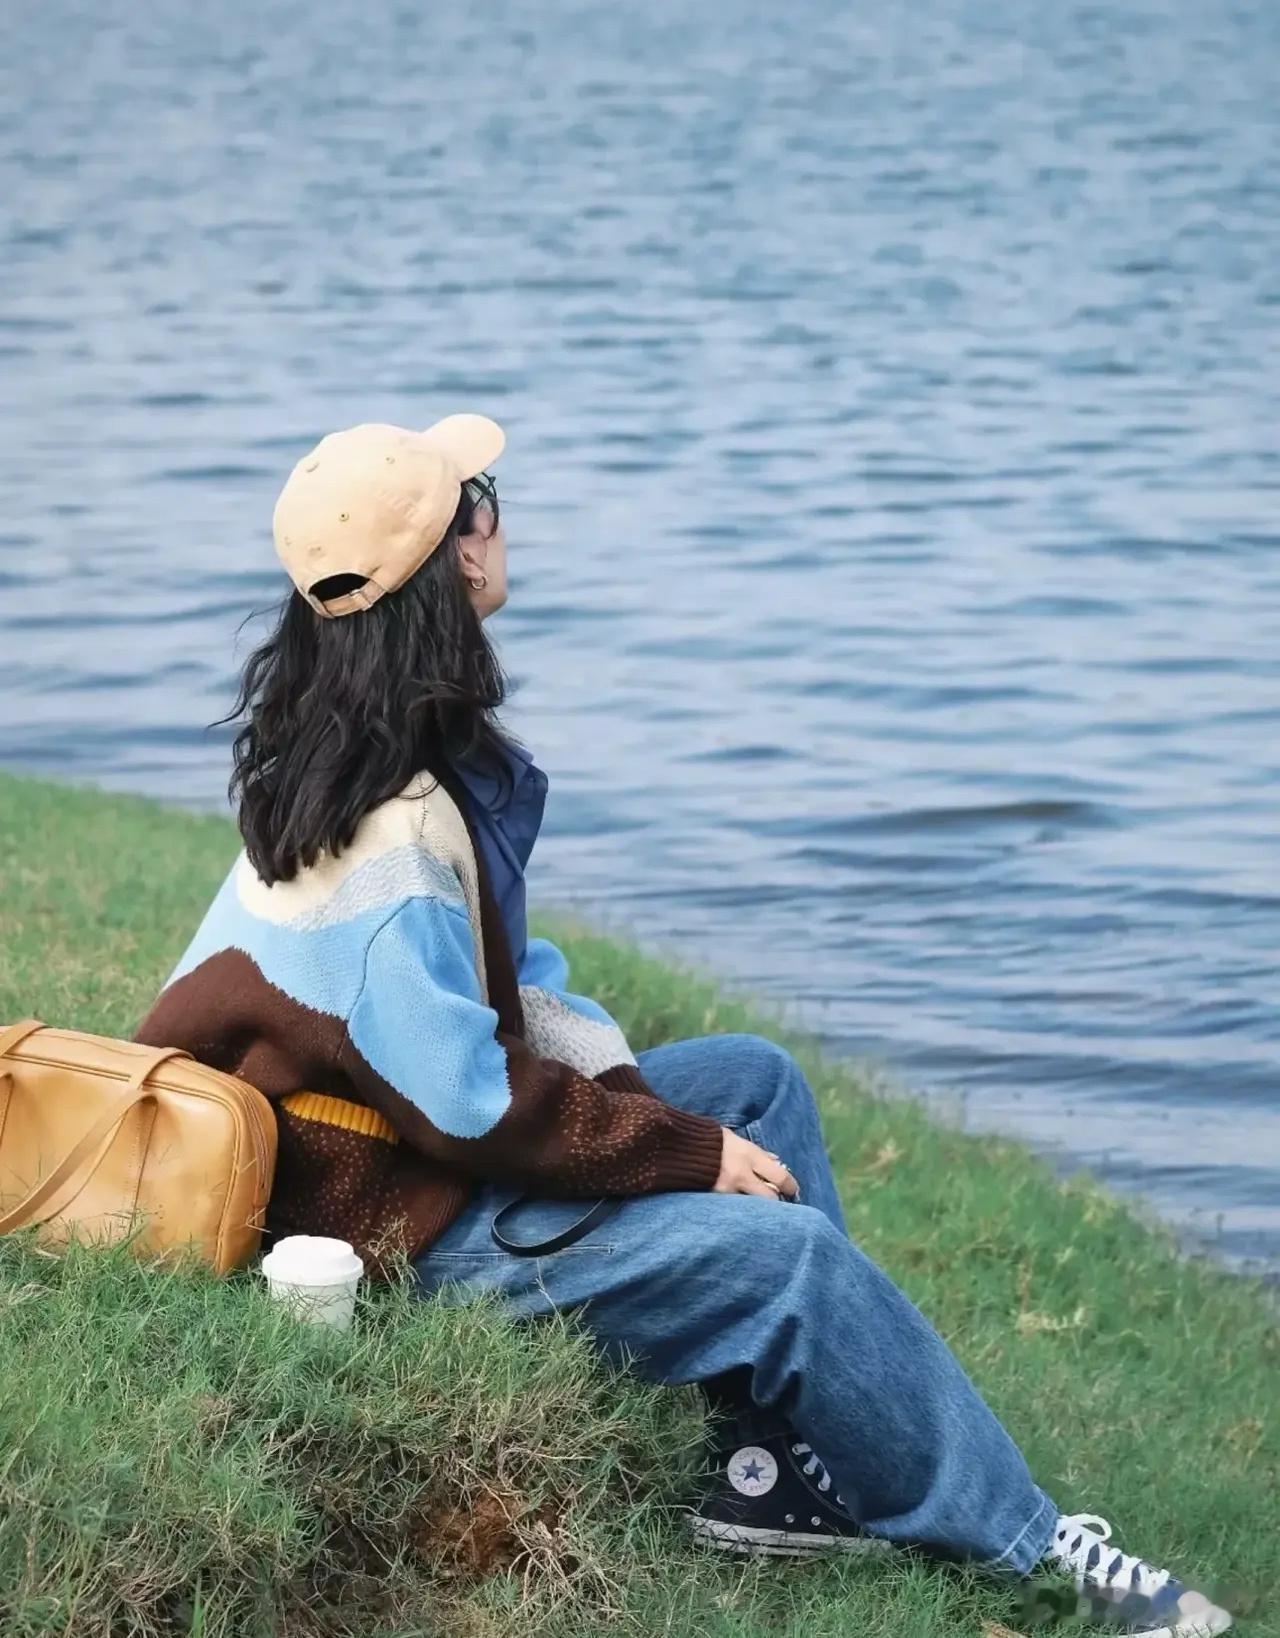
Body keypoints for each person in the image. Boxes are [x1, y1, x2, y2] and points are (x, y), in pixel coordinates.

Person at [133, 413, 1231, 1638]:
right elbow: (469, 1103)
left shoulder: (368, 745)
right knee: (788, 1262)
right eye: (477, 497)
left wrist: (653, 1105)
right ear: (450, 566)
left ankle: (767, 1472)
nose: (498, 514)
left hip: (390, 1153)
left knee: (749, 1081)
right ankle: (1037, 1562)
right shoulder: (387, 833)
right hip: (392, 1222)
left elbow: (496, 1003)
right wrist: (677, 1154)